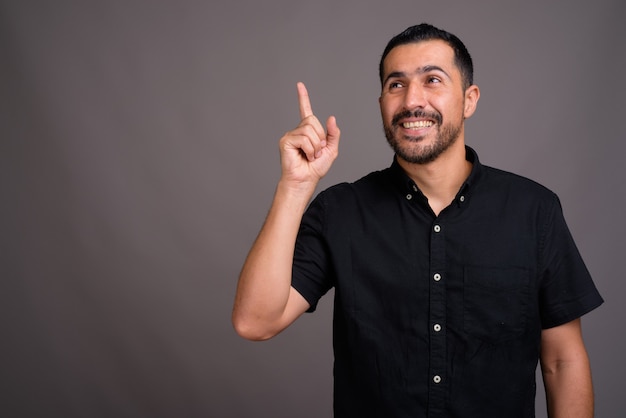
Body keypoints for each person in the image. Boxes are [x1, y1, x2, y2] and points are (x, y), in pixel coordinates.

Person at [232, 23, 603, 417]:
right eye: (396, 84)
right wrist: (295, 186)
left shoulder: (534, 210)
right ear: (381, 104)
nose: (412, 100)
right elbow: (256, 322)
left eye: (432, 80)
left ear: (469, 99)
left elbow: (562, 361)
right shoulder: (340, 211)